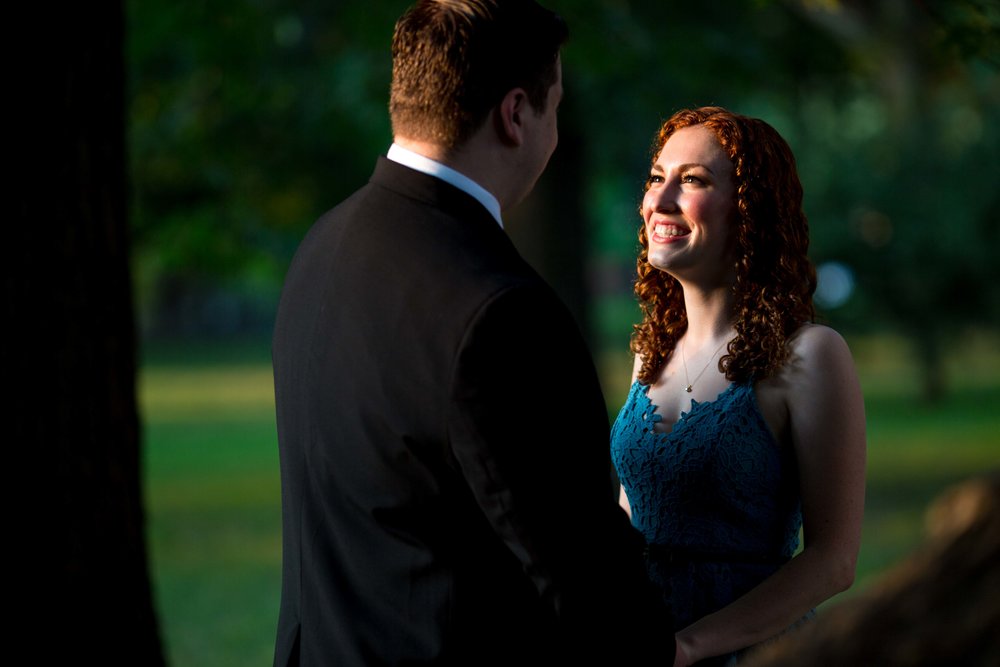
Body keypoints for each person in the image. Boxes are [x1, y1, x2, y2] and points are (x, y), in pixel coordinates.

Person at [271, 2, 671, 665]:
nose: (555, 131)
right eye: (556, 108)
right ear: (516, 115)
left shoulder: (322, 247)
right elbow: (585, 581)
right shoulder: (502, 311)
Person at [610, 106, 867, 666]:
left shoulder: (811, 356)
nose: (660, 200)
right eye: (657, 178)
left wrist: (690, 645)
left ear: (750, 210)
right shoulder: (648, 353)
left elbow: (834, 561)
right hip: (641, 644)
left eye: (693, 180)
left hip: (752, 653)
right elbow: (632, 515)